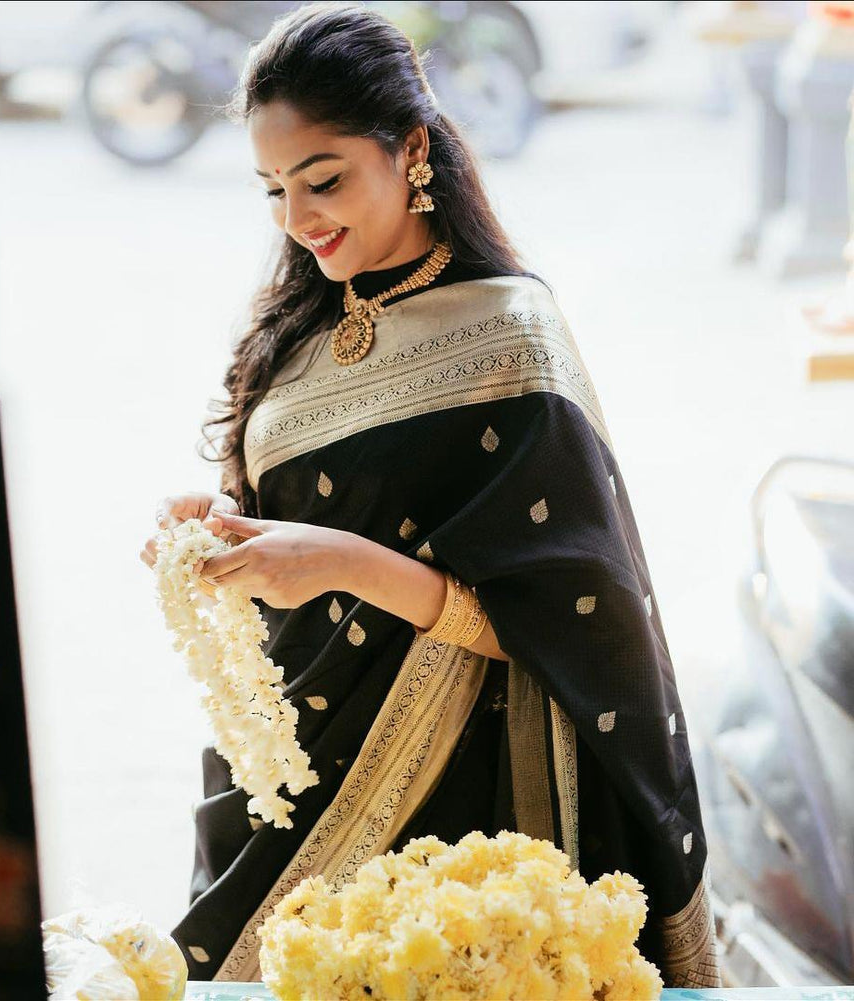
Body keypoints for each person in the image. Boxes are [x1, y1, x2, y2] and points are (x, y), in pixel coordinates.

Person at [139, 1, 722, 989]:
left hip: (469, 790)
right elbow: (309, 498)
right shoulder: (296, 324)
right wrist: (222, 527)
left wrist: (341, 562)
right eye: (272, 189)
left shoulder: (511, 338)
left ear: (410, 150)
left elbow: (574, 619)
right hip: (296, 757)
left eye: (323, 180)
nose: (298, 219)